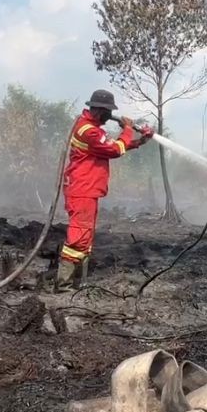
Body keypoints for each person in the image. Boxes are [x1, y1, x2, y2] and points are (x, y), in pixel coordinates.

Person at [56, 89, 154, 290]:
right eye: (108, 112)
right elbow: (114, 149)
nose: (110, 116)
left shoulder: (90, 128)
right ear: (100, 111)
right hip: (82, 190)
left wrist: (140, 141)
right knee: (79, 235)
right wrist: (128, 128)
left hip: (86, 189)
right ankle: (64, 284)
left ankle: (77, 282)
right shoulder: (89, 131)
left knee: (85, 235)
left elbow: (110, 146)